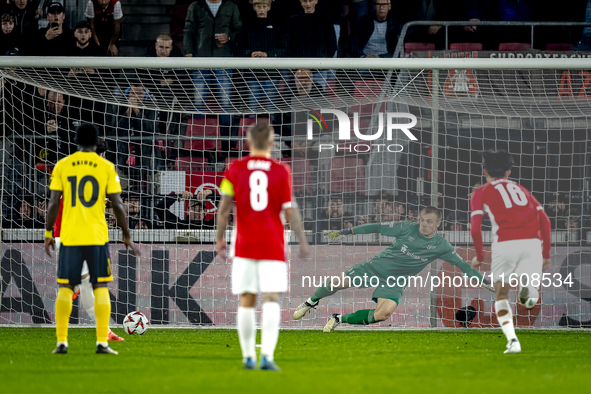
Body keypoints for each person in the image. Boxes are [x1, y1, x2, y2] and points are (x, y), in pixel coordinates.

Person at [294, 206, 493, 332]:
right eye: (422, 220)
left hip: (395, 281)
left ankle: (338, 318)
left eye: (429, 222)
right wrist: (347, 231)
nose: (424, 225)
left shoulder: (442, 246)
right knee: (337, 283)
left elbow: (465, 267)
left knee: (382, 314)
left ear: (438, 223)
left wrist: (484, 281)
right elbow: (377, 227)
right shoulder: (406, 227)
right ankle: (310, 302)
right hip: (373, 268)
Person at [216, 121, 308, 370]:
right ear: (271, 142)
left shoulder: (233, 169)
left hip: (244, 243)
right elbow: (290, 211)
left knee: (246, 300)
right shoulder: (281, 171)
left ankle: (248, 357)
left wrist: (219, 238)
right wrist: (301, 239)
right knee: (270, 298)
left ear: (248, 142)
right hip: (272, 244)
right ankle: (267, 356)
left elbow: (224, 210)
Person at [45, 123, 140, 355]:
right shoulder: (106, 166)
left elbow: (53, 202)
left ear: (76, 140)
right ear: (97, 142)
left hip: (68, 234)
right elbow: (118, 204)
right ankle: (102, 341)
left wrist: (48, 233)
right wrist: (127, 235)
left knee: (66, 287)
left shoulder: (63, 165)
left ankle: (61, 342)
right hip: (96, 236)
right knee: (100, 287)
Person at [470, 150, 551, 354]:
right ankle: (528, 289)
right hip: (532, 243)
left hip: (505, 244)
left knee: (501, 294)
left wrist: (479, 256)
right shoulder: (522, 190)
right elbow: (546, 221)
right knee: (530, 299)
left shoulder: (480, 192)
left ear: (484, 171)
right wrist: (546, 254)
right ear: (508, 172)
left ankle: (513, 341)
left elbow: (475, 227)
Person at [52, 139, 124, 341]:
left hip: (68, 236)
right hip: (70, 237)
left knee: (87, 284)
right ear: (99, 155)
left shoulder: (71, 171)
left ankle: (104, 331)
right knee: (86, 284)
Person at [183, 0, 241, 125]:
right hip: (200, 60)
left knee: (226, 102)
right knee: (198, 102)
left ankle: (227, 139)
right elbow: (188, 30)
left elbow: (239, 31)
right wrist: (188, 52)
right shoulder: (195, 6)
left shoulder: (232, 6)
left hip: (224, 60)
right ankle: (199, 139)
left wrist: (229, 37)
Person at [239, 0, 286, 113]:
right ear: (254, 7)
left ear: (269, 7)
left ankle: (272, 129)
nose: (261, 9)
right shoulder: (247, 25)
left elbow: (283, 49)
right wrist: (250, 53)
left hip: (271, 73)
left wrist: (267, 54)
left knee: (271, 107)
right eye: (258, 6)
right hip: (252, 73)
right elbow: (240, 47)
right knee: (253, 107)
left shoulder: (277, 25)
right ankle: (252, 130)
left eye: (264, 6)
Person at [288, 0, 337, 90]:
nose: (307, 4)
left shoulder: (325, 19)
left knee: (318, 98)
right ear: (300, 2)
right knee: (300, 99)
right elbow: (290, 45)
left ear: (316, 1)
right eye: (305, 1)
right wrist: (297, 66)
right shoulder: (293, 20)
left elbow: (332, 44)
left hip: (320, 68)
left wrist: (324, 60)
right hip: (300, 69)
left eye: (310, 0)